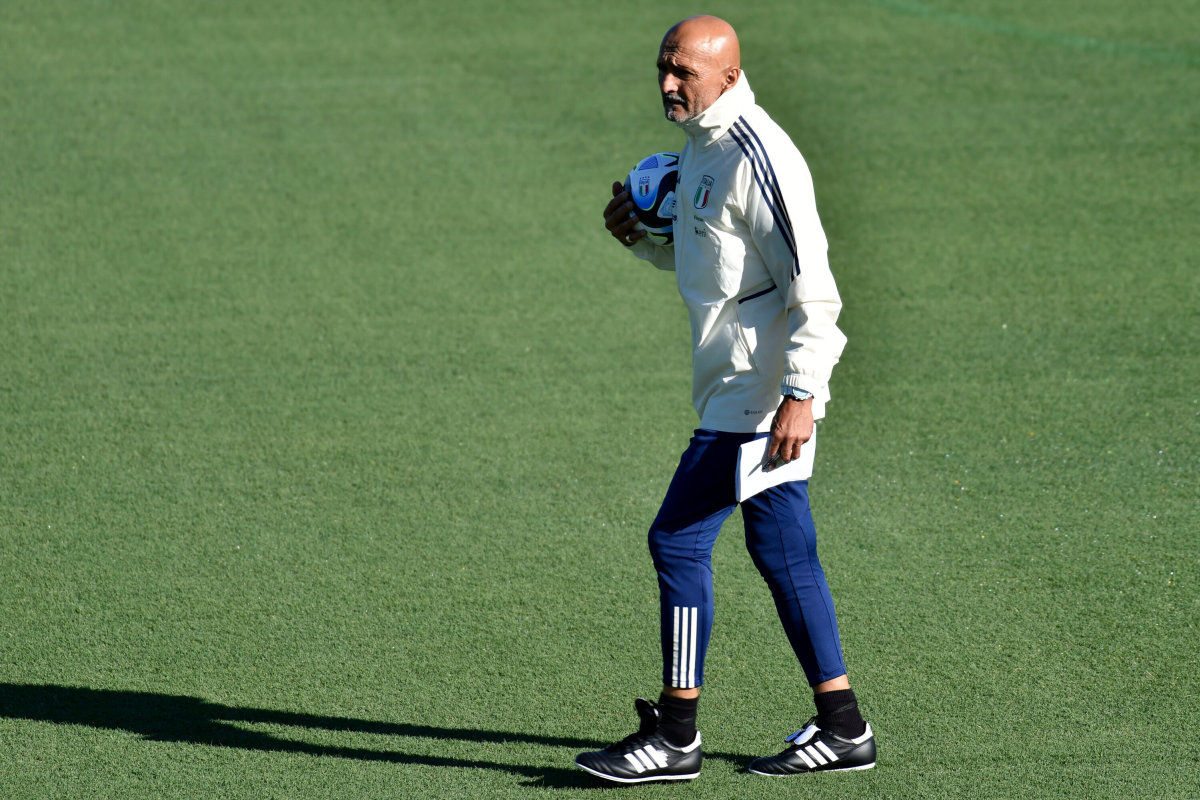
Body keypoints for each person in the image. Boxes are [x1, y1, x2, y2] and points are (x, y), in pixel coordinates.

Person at [573, 15, 876, 784]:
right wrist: (642, 239)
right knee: (784, 552)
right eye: (663, 67)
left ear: (730, 76)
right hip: (741, 392)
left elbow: (815, 291)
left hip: (757, 401)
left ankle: (676, 735)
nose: (668, 83)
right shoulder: (701, 146)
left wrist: (801, 393)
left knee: (677, 542)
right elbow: (718, 269)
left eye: (685, 71)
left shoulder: (757, 156)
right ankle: (844, 726)